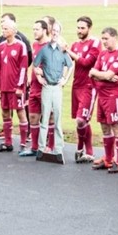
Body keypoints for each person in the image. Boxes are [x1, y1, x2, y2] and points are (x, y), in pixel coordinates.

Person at [89, 27, 118, 173]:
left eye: (106, 38)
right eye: (102, 38)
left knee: (117, 127)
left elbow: (106, 74)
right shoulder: (103, 53)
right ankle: (108, 158)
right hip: (102, 94)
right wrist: (102, 75)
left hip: (115, 95)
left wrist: (102, 75)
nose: (103, 41)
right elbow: (92, 72)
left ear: (115, 37)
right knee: (105, 127)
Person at [32, 21, 72, 164]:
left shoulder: (62, 50)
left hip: (57, 88)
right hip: (47, 87)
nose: (55, 33)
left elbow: (70, 65)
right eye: (53, 30)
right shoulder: (44, 50)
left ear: (60, 32)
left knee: (57, 119)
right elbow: (35, 65)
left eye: (57, 30)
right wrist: (39, 76)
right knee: (44, 118)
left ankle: (58, 149)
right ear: (51, 31)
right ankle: (41, 148)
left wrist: (65, 79)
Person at [69, 15, 101, 163]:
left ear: (89, 28)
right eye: (78, 28)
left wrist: (68, 51)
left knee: (81, 120)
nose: (80, 30)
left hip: (89, 86)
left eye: (82, 28)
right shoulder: (75, 45)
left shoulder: (95, 42)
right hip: (76, 85)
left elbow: (87, 62)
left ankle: (81, 148)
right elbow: (68, 62)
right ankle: (86, 152)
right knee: (81, 121)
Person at [0, 19, 29, 152]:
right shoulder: (1, 46)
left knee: (20, 113)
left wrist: (20, 87)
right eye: (2, 28)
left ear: (14, 31)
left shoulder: (20, 46)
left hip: (16, 88)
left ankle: (23, 144)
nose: (3, 31)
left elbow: (23, 68)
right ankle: (8, 143)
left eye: (6, 29)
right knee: (5, 113)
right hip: (4, 87)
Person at [24, 19, 51, 157]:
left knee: (49, 117)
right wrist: (30, 76)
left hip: (47, 88)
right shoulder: (34, 45)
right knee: (33, 117)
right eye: (33, 29)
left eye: (37, 29)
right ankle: (35, 147)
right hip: (34, 88)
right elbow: (33, 64)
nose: (34, 32)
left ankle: (51, 147)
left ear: (45, 30)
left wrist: (44, 74)